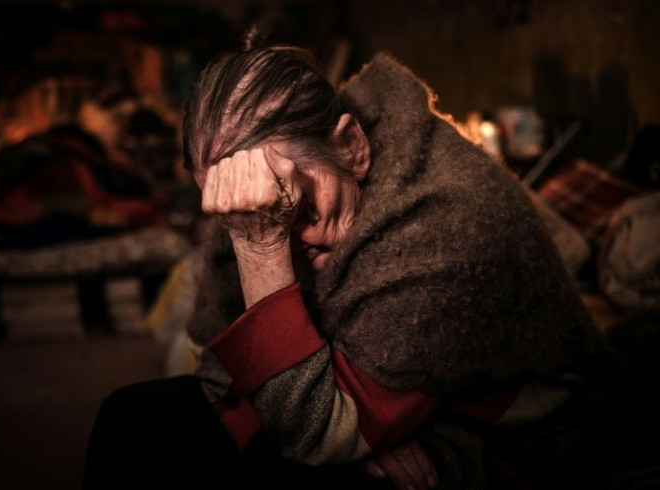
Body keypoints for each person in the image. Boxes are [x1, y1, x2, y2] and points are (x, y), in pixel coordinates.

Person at [83, 34, 609, 490]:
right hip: (346, 390)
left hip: (497, 432)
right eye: (246, 220)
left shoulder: (448, 224)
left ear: (352, 147)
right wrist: (356, 432)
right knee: (129, 420)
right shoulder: (257, 198)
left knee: (277, 486)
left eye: (301, 210)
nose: (281, 239)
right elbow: (216, 360)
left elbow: (306, 433)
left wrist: (349, 430)